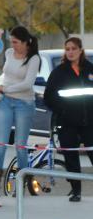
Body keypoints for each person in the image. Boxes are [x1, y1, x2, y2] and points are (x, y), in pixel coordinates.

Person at [44, 37, 93, 202]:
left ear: (80, 50)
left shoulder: (90, 69)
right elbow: (48, 97)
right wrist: (63, 111)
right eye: (67, 49)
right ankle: (76, 190)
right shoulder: (59, 72)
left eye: (73, 48)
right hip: (67, 123)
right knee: (71, 157)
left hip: (89, 122)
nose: (70, 52)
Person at [0, 26, 40, 186]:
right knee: (0, 143)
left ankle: (23, 179)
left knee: (20, 145)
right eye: (11, 42)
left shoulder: (33, 58)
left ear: (26, 42)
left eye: (16, 42)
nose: (13, 45)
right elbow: (6, 74)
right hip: (4, 101)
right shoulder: (8, 53)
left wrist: (6, 89)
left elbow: (27, 84)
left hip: (24, 103)